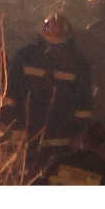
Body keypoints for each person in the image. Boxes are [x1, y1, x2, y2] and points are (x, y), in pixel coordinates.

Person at [12, 12, 95, 152]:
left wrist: (79, 133)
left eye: (59, 45)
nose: (54, 50)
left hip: (62, 138)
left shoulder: (79, 64)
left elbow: (84, 104)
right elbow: (12, 93)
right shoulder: (24, 57)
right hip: (27, 136)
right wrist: (15, 127)